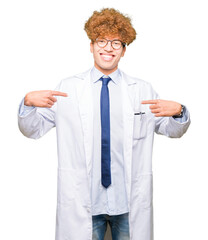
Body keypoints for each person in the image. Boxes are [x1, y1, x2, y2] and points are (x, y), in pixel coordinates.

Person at [18, 8, 190, 240]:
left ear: (124, 49)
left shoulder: (141, 90)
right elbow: (33, 129)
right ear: (91, 45)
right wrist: (27, 104)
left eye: (116, 42)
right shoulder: (67, 89)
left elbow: (171, 130)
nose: (108, 47)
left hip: (127, 203)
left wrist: (179, 112)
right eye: (101, 40)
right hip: (84, 202)